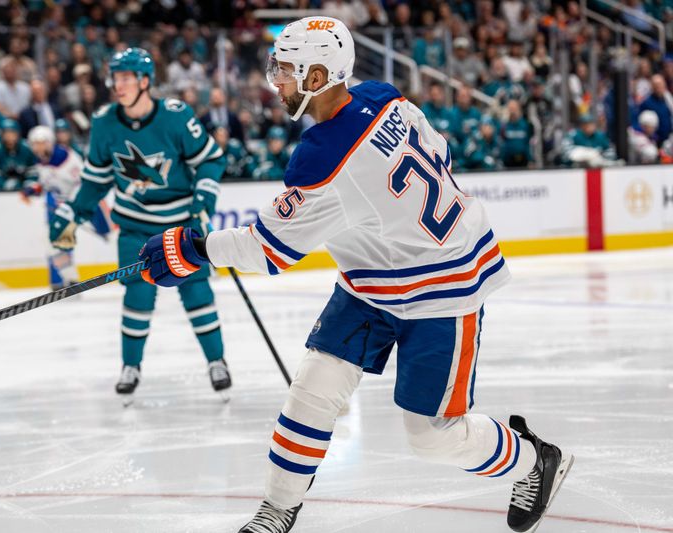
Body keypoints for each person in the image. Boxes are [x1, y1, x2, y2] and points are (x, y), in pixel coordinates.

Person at [136, 17, 573, 533]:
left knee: (433, 436)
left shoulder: (324, 158)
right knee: (312, 390)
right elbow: (442, 153)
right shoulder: (383, 96)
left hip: (443, 289)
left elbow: (268, 250)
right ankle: (278, 508)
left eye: (285, 70)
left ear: (317, 76)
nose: (274, 79)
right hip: (372, 282)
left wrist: (193, 249)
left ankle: (535, 460)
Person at [47, 48, 231, 401]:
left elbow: (210, 160)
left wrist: (205, 196)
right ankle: (130, 366)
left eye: (126, 78)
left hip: (180, 226)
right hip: (134, 226)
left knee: (196, 292)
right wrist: (74, 211)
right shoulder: (104, 122)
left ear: (145, 81)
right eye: (115, 78)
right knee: (138, 295)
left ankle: (216, 361)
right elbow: (95, 182)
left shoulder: (176, 117)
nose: (118, 85)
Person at [25, 126, 110, 290]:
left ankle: (140, 267)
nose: (39, 147)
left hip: (86, 204)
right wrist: (35, 188)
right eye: (35, 144)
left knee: (111, 236)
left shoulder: (63, 156)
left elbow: (84, 182)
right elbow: (49, 183)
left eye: (42, 143)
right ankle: (71, 281)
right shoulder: (42, 160)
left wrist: (70, 203)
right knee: (54, 242)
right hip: (66, 209)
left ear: (50, 142)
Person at [0, 119, 37, 190]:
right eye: (6, 134)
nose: (9, 137)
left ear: (18, 134)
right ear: (1, 135)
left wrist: (28, 184)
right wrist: (4, 185)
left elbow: (33, 171)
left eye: (12, 133)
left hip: (23, 190)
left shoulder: (27, 148)